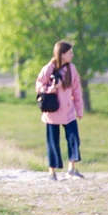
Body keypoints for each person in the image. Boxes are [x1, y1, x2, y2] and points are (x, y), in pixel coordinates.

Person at [36, 41, 85, 181]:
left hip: (69, 112)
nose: (72, 55)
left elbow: (76, 90)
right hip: (52, 112)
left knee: (73, 139)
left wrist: (79, 109)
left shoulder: (72, 69)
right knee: (53, 142)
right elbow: (39, 87)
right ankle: (52, 172)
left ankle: (72, 169)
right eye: (69, 53)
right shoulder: (48, 68)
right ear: (62, 54)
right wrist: (53, 88)